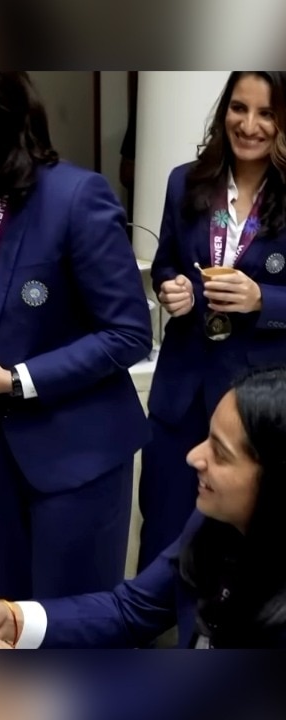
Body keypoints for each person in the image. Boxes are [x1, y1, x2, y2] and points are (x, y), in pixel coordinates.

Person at [0, 72, 153, 599]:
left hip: (76, 457)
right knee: (6, 621)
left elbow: (128, 332)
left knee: (72, 631)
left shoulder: (75, 196)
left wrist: (17, 379)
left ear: (1, 118)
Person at [0, 366, 286, 649]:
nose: (194, 457)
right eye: (206, 438)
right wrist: (10, 619)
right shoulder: (213, 521)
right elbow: (130, 611)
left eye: (220, 454)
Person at [138, 71, 286, 570]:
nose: (249, 125)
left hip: (256, 405)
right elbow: (165, 264)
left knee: (245, 549)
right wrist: (170, 289)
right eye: (239, 108)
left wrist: (262, 298)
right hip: (182, 392)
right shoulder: (186, 180)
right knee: (163, 530)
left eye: (267, 113)